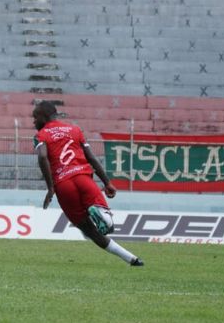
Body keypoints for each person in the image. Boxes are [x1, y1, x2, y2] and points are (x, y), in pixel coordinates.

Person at [32, 101, 143, 266]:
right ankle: (112, 229)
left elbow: (42, 157)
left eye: (35, 117)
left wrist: (50, 188)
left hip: (63, 185)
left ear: (43, 116)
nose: (33, 122)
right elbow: (91, 157)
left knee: (88, 230)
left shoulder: (41, 135)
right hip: (83, 178)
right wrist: (107, 182)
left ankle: (128, 257)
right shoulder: (75, 130)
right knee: (100, 221)